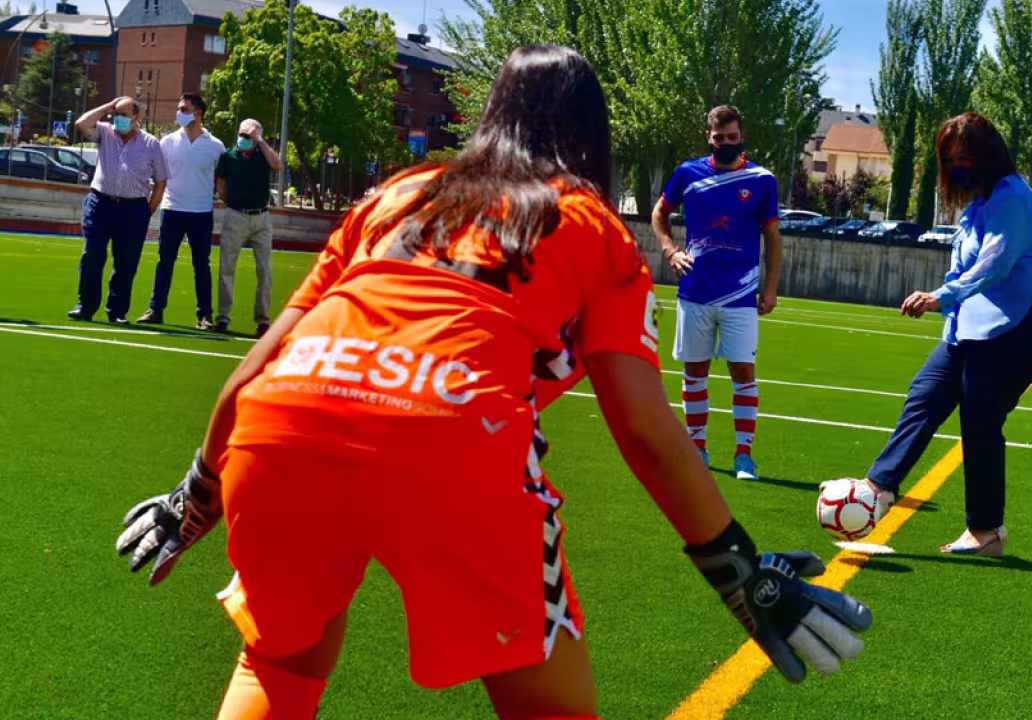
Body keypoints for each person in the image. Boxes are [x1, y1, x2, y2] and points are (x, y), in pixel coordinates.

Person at [113, 45, 873, 719]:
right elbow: (643, 426)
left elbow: (259, 365)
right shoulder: (591, 224)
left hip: (283, 424)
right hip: (451, 439)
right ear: (589, 131)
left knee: (277, 663)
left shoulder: (397, 194)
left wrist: (198, 490)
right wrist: (738, 573)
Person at [849, 112, 1032, 557]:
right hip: (973, 329)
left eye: (965, 158)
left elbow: (995, 264)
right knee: (926, 393)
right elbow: (963, 267)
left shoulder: (1012, 199)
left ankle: (986, 532)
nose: (957, 168)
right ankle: (878, 489)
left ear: (988, 156)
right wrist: (949, 325)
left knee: (979, 414)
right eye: (950, 160)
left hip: (1027, 326)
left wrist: (940, 297)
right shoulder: (976, 208)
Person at [651, 105, 782, 481]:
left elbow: (773, 238)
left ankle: (744, 457)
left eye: (732, 137)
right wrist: (670, 251)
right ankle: (697, 449)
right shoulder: (687, 173)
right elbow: (660, 212)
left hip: (741, 296)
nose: (725, 142)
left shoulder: (762, 179)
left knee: (744, 372)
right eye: (719, 137)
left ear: (742, 136)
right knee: (695, 372)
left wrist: (770, 288)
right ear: (709, 137)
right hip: (695, 293)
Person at [67, 96, 168, 324]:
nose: (118, 119)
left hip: (133, 209)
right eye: (116, 114)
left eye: (124, 114)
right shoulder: (105, 132)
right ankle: (86, 306)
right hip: (100, 204)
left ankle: (117, 312)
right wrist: (108, 105)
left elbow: (161, 181)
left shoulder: (151, 144)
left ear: (136, 117)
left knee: (126, 262)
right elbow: (82, 123)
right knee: (92, 255)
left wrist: (148, 211)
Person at [137, 93, 226, 329]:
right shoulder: (167, 142)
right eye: (179, 108)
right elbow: (158, 175)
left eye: (184, 109)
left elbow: (221, 180)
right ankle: (155, 309)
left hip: (201, 213)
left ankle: (204, 316)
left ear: (198, 113)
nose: (179, 113)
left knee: (201, 265)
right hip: (171, 210)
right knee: (164, 262)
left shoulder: (216, 146)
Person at [215, 118, 282, 338]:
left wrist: (260, 141)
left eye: (248, 136)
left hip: (261, 218)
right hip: (236, 216)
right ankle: (223, 317)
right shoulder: (228, 155)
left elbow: (277, 165)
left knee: (265, 272)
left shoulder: (263, 154)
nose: (243, 139)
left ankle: (262, 321)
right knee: (227, 269)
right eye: (242, 134)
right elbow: (221, 183)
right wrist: (229, 201)